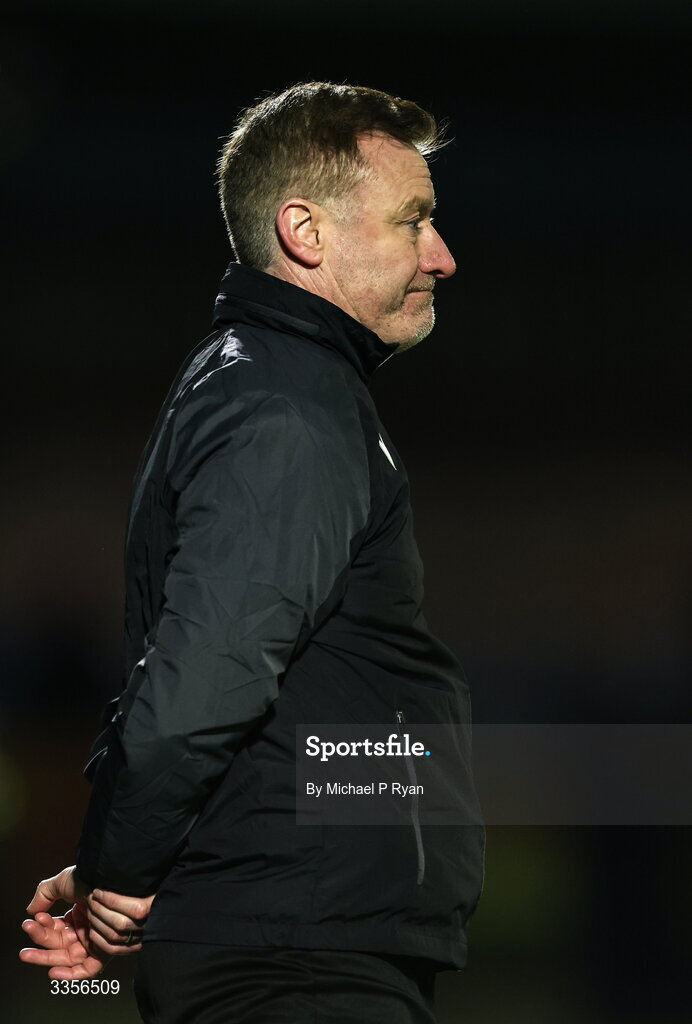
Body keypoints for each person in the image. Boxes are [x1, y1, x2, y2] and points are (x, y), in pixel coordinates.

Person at [19, 81, 485, 1023]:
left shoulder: (275, 385)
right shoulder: (288, 410)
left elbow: (205, 675)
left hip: (297, 936)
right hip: (295, 961)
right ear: (305, 232)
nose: (441, 254)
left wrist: (120, 859)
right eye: (413, 220)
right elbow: (205, 676)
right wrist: (122, 875)